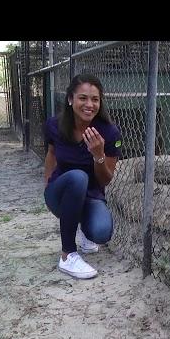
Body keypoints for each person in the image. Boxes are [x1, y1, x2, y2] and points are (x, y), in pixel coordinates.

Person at [43, 73, 122, 279]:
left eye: (95, 99)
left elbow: (105, 180)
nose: (89, 104)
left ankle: (82, 228)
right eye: (83, 98)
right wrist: (48, 185)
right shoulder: (55, 125)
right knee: (77, 177)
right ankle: (68, 255)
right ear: (70, 99)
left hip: (91, 196)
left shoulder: (109, 133)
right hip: (61, 192)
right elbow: (51, 154)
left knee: (101, 232)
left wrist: (99, 156)